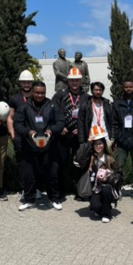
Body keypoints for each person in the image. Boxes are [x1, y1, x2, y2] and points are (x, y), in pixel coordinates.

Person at [14, 81, 65, 211]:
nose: (39, 95)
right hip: (30, 147)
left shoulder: (52, 105)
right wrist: (28, 131)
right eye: (37, 92)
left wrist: (52, 130)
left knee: (52, 174)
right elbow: (18, 124)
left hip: (49, 146)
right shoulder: (24, 107)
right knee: (29, 174)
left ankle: (54, 198)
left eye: (42, 93)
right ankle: (29, 200)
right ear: (32, 92)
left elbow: (60, 122)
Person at [52, 67, 90, 198]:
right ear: (68, 81)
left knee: (79, 163)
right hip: (63, 134)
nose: (74, 83)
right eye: (72, 81)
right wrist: (60, 127)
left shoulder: (86, 97)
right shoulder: (60, 95)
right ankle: (62, 191)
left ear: (81, 81)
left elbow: (90, 117)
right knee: (62, 163)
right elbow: (53, 112)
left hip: (79, 135)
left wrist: (82, 129)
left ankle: (79, 191)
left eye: (77, 80)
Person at [74, 126, 123, 223]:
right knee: (95, 207)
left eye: (100, 144)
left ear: (104, 145)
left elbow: (120, 175)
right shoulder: (90, 158)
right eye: (96, 144)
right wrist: (88, 143)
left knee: (106, 190)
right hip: (95, 188)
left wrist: (108, 178)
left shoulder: (110, 158)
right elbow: (78, 158)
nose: (98, 146)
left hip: (109, 187)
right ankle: (102, 207)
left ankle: (107, 215)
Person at [7, 69, 34, 198]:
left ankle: (36, 188)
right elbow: (10, 118)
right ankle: (25, 188)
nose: (27, 85)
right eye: (24, 82)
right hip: (20, 137)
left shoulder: (37, 96)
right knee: (23, 164)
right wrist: (12, 135)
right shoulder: (15, 99)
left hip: (34, 137)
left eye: (29, 82)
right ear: (20, 84)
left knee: (36, 163)